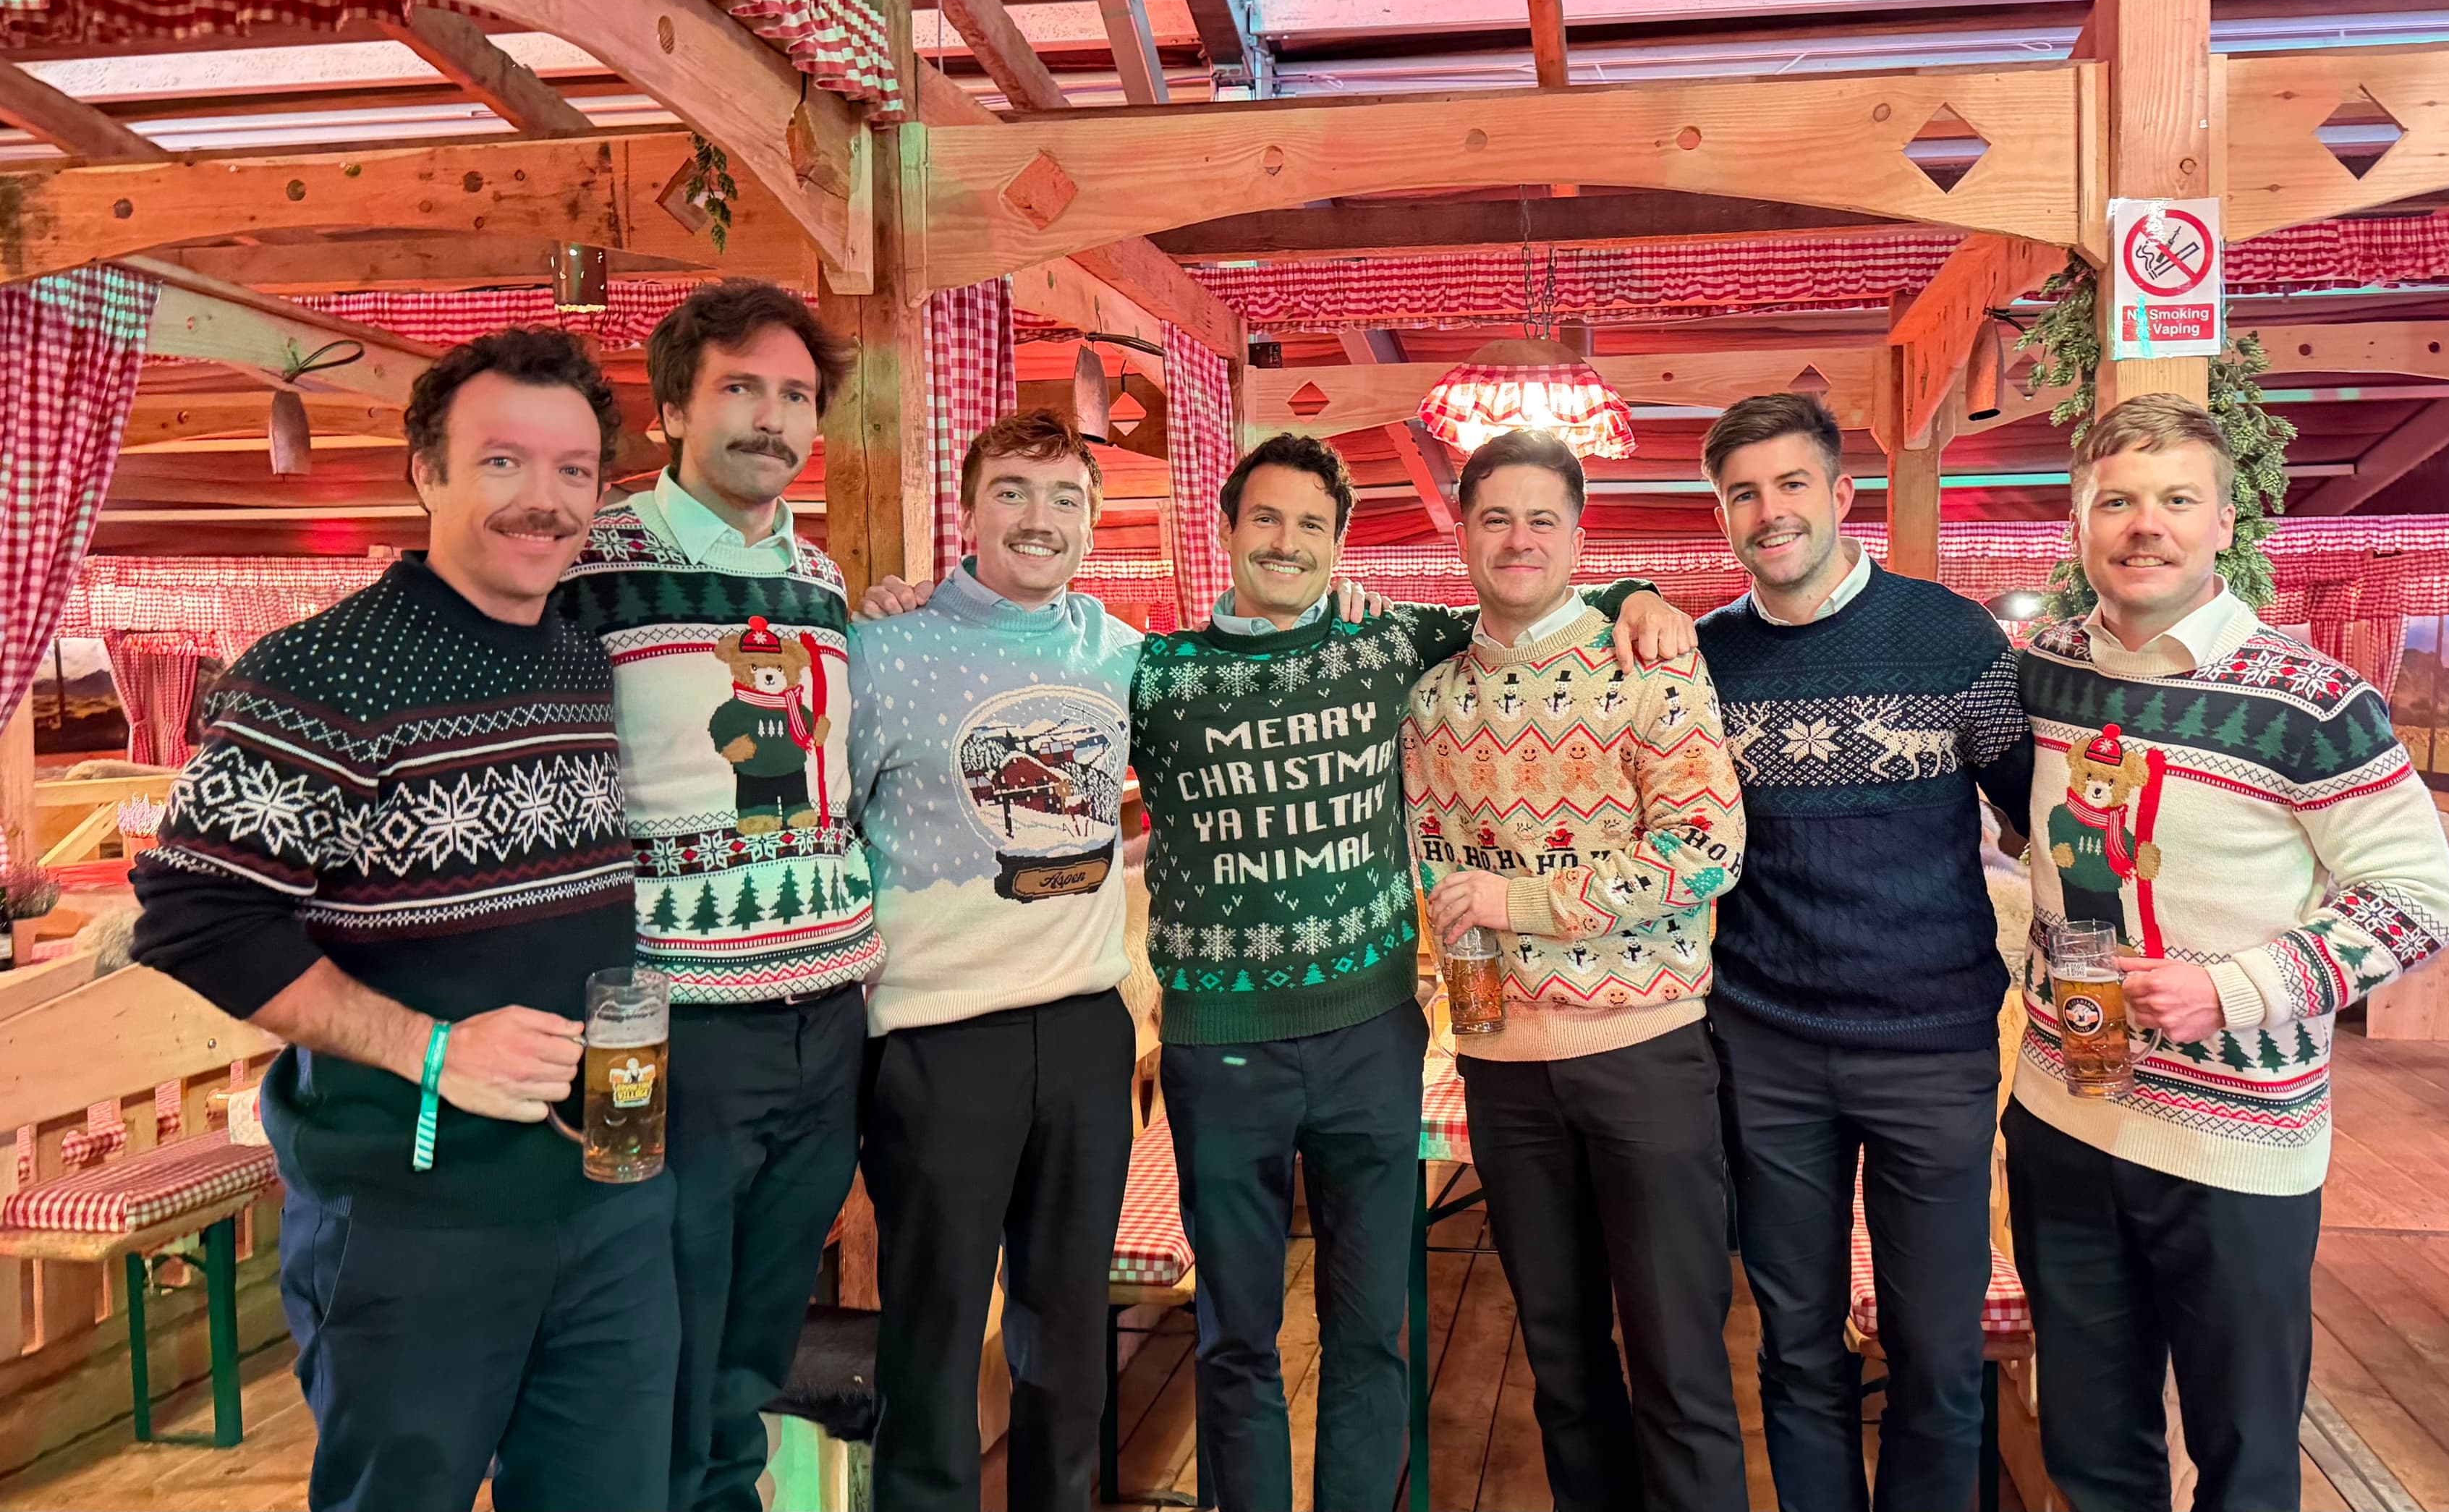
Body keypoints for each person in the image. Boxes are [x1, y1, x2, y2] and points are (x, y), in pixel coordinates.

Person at [130, 329, 670, 1512]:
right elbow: (190, 912)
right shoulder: (322, 672)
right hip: (413, 1215)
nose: (545, 502)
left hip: (608, 1194)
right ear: (424, 470)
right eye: (503, 463)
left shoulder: (582, 664)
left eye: (575, 471)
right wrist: (430, 1047)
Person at [1125, 433, 1692, 1512]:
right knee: (1237, 1335)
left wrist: (1640, 588)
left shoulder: (1390, 643)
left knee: (1370, 1330)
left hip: (1370, 1034)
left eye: (1311, 525)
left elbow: (1522, 601)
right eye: (1267, 520)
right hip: (1216, 1048)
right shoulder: (1159, 673)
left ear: (1341, 544)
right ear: (1228, 530)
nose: (1287, 543)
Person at [2006, 393, 2449, 1512]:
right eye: (2115, 502)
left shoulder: (2313, 703)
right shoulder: (2047, 669)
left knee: (2246, 1455)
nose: (2142, 525)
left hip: (2236, 1147)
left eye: (2175, 501)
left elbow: (2417, 900)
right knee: (2088, 1444)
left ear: (2224, 524)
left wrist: (2233, 988)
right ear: (2079, 524)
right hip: (2066, 1115)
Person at [555, 279, 879, 1512]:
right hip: (671, 1028)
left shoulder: (823, 580)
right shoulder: (594, 569)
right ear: (674, 407)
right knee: (659, 1337)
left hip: (825, 1016)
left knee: (754, 1339)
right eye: (741, 387)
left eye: (795, 395)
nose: (772, 418)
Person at [1692, 393, 2033, 1512]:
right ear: (1723, 513)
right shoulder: (1701, 662)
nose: (1769, 511)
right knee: (1795, 1346)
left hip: (1931, 1046)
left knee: (1937, 1356)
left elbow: (2041, 817)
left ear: (1843, 496)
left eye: (1792, 485)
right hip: (1768, 1044)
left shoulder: (1950, 638)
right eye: (1744, 492)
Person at [1402, 428, 1749, 1512]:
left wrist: (1525, 903)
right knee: (1559, 1361)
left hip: (1646, 1055)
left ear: (1580, 537)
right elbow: (1435, 868)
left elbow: (1706, 850)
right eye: (1495, 517)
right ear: (1459, 533)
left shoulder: (1648, 666)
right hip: (1502, 1067)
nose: (1518, 539)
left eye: (1542, 517)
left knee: (1678, 1362)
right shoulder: (1430, 699)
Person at [848, 410, 1143, 1512]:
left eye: (1067, 498)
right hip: (936, 1035)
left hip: (1082, 1026)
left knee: (1068, 1336)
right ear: (968, 509)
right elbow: (832, 820)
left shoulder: (1118, 652)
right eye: (1014, 491)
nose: (1041, 517)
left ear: (1091, 523)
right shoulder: (885, 649)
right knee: (931, 1334)